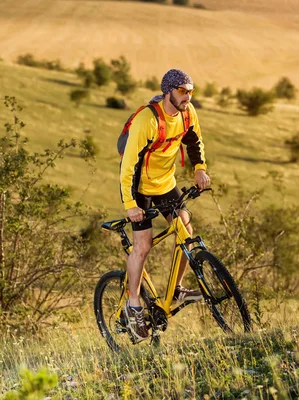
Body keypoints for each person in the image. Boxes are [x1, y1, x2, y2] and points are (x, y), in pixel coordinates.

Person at [119, 69, 211, 342]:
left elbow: (194, 140)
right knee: (143, 246)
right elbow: (128, 166)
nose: (188, 96)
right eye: (183, 91)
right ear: (168, 91)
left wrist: (199, 168)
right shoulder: (147, 119)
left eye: (191, 91)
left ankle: (178, 288)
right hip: (140, 188)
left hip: (165, 184)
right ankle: (133, 303)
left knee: (184, 227)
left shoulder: (187, 112)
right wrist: (130, 204)